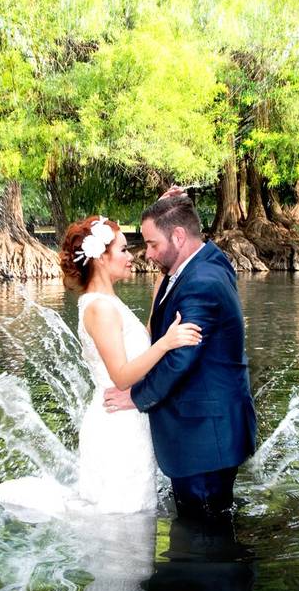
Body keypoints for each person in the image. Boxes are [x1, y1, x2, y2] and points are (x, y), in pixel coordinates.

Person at [0, 215, 202, 515]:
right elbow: (121, 375)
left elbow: (143, 340)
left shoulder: (108, 301)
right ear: (101, 258)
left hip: (129, 420)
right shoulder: (100, 308)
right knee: (120, 518)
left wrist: (162, 280)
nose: (132, 257)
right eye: (124, 250)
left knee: (132, 519)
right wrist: (167, 343)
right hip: (116, 424)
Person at [104, 190, 257, 520]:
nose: (147, 253)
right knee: (207, 526)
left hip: (204, 440)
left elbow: (180, 359)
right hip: (210, 429)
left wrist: (136, 397)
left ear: (178, 236)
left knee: (203, 538)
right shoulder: (207, 259)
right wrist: (168, 208)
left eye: (153, 244)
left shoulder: (200, 281)